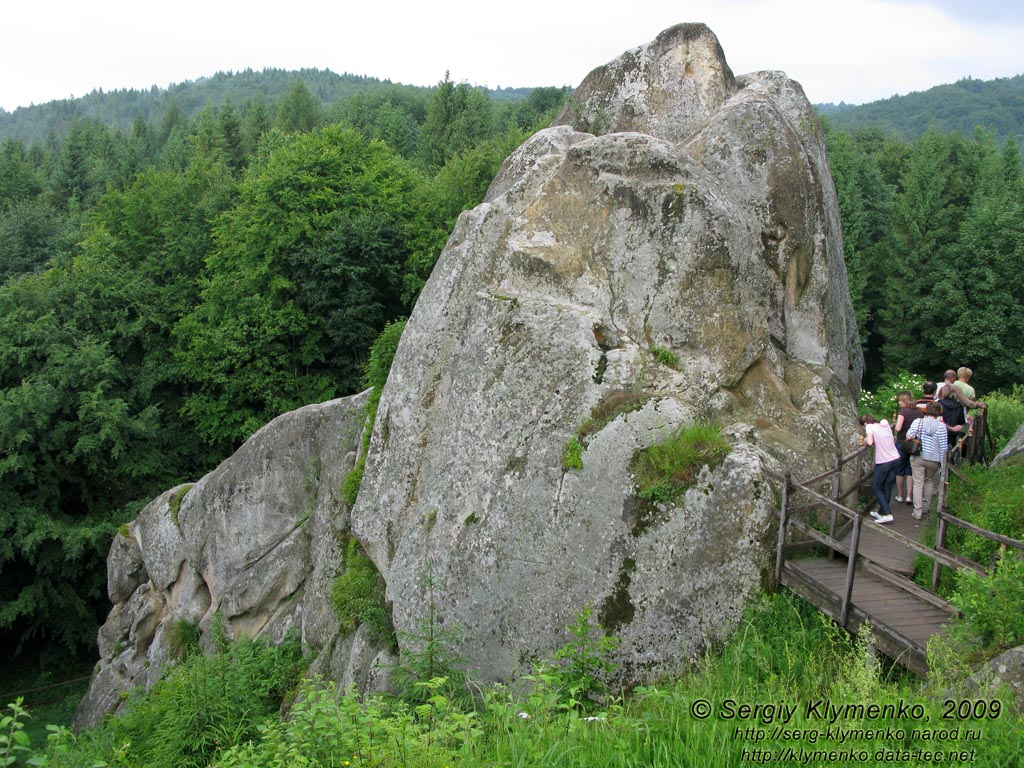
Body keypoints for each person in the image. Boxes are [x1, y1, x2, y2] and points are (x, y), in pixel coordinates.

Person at [906, 402, 948, 520]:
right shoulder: (942, 426)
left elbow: (909, 436)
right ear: (939, 412)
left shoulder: (918, 422)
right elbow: (943, 447)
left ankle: (917, 511)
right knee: (929, 481)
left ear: (926, 410)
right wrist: (943, 465)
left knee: (918, 483)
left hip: (918, 456)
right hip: (933, 459)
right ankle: (926, 507)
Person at [860, 414, 899, 524]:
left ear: (865, 423)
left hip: (884, 462)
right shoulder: (884, 424)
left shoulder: (869, 427)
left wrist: (865, 440)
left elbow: (871, 441)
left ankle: (887, 514)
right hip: (895, 458)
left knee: (876, 487)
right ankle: (882, 511)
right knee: (887, 486)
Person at [893, 391, 922, 504]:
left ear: (904, 400)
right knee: (910, 470)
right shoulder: (919, 411)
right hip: (914, 443)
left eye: (900, 400)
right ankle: (909, 496)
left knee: (899, 470)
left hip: (902, 442)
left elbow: (898, 428)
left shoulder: (903, 411)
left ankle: (900, 495)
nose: (899, 403)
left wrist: (896, 424)